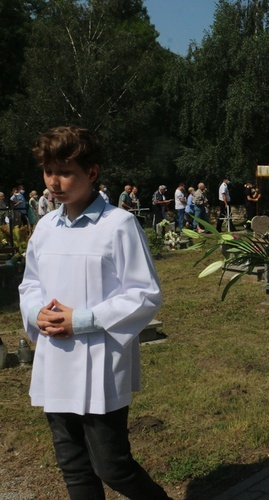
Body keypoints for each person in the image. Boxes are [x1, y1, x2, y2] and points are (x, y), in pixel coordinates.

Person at [18, 125, 168, 499]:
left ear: (93, 173)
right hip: (55, 358)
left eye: (65, 172)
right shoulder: (46, 227)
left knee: (111, 465)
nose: (54, 182)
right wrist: (36, 311)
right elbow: (30, 283)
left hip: (99, 360)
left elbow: (144, 295)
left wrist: (80, 320)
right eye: (49, 171)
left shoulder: (118, 225)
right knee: (73, 465)